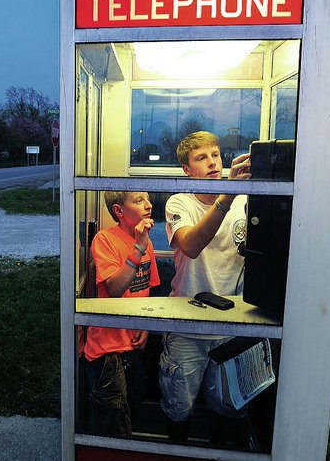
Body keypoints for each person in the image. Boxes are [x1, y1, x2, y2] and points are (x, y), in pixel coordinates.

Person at [158, 131, 253, 445]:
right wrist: (226, 197)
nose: (213, 162)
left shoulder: (245, 200)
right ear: (187, 169)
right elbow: (191, 245)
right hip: (188, 325)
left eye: (215, 155)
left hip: (233, 324)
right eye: (201, 157)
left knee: (229, 409)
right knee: (178, 408)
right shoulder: (180, 202)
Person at [83, 191, 160, 437]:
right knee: (113, 422)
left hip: (134, 344)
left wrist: (146, 325)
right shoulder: (105, 239)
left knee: (133, 410)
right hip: (108, 350)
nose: (148, 205)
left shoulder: (147, 243)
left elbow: (147, 288)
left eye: (147, 199)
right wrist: (138, 248)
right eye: (138, 201)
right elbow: (115, 289)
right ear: (118, 211)